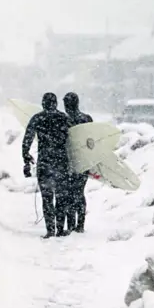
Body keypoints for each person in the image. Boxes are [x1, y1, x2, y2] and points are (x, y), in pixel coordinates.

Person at [22, 92, 72, 238]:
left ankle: (50, 230)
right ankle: (60, 229)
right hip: (61, 162)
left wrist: (26, 157)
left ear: (43, 103)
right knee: (61, 197)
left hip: (45, 162)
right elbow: (75, 140)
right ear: (56, 103)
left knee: (47, 197)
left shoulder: (38, 118)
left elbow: (27, 139)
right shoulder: (64, 118)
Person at [62, 92, 93, 233]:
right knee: (79, 193)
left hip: (67, 161)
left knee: (68, 193)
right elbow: (92, 141)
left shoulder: (63, 119)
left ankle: (71, 224)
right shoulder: (86, 119)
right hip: (83, 161)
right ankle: (80, 225)